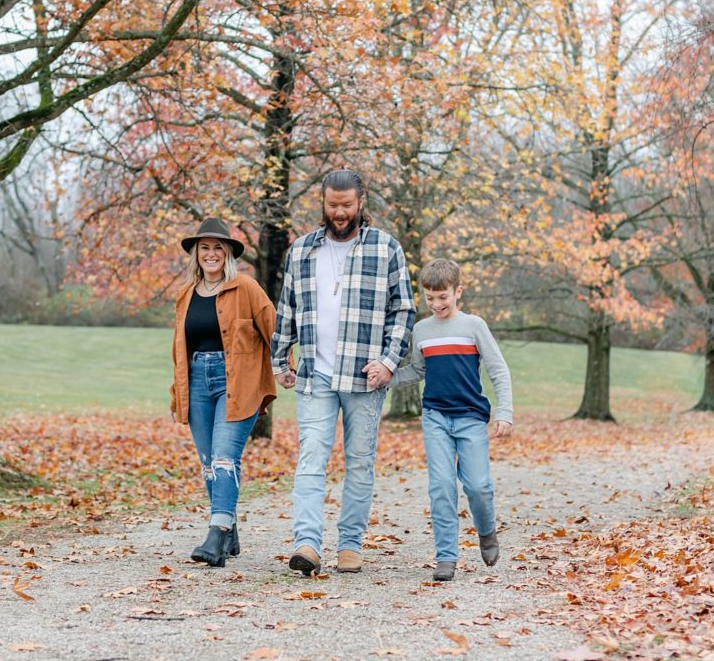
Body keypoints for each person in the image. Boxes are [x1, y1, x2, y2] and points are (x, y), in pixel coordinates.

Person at [271, 169, 416, 577]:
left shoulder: (387, 249)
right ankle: (307, 543)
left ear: (361, 202)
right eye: (332, 205)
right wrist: (280, 360)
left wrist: (389, 362)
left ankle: (350, 544)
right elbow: (288, 310)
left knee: (359, 461)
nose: (339, 213)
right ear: (322, 203)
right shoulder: (301, 252)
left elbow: (403, 311)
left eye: (346, 205)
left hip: (365, 377)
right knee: (311, 458)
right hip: (315, 375)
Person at [387, 258, 513, 581]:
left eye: (443, 297)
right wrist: (385, 376)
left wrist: (505, 412)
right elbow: (418, 370)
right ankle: (446, 557)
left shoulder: (474, 326)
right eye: (430, 298)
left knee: (478, 486)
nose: (437, 304)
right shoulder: (422, 330)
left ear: (458, 292)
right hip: (436, 417)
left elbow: (498, 370)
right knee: (441, 486)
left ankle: (486, 532)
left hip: (471, 417)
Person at [170, 217, 276, 568]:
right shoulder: (185, 294)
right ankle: (228, 531)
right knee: (208, 465)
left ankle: (215, 536)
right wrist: (177, 393)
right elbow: (179, 348)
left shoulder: (245, 287)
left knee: (223, 459)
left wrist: (281, 369)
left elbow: (273, 329)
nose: (211, 254)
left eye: (218, 248)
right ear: (196, 254)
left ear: (228, 253)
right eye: (205, 248)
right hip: (197, 381)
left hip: (238, 382)